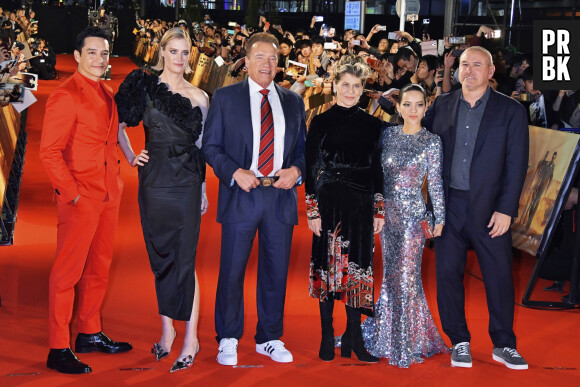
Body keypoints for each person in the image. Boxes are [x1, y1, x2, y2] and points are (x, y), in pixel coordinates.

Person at [202, 32, 306, 366]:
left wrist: (296, 172)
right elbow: (211, 148)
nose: (267, 64)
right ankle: (228, 336)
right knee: (232, 270)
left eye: (273, 58)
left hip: (279, 196)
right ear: (246, 61)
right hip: (241, 195)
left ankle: (270, 337)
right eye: (260, 57)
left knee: (276, 271)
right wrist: (234, 172)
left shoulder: (292, 100)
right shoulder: (225, 97)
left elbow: (304, 151)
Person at [423, 46, 529, 370]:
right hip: (448, 205)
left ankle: (503, 344)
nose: (468, 70)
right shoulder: (441, 104)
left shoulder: (511, 111)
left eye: (477, 65)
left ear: (491, 71)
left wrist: (506, 209)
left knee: (499, 276)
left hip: (491, 210)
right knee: (447, 274)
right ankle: (459, 340)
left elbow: (517, 164)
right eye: (464, 65)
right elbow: (419, 141)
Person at [115, 27, 209, 373]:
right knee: (162, 258)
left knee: (185, 259)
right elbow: (118, 122)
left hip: (185, 183)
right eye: (174, 51)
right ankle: (167, 332)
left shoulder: (200, 97)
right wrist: (129, 155)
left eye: (186, 53)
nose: (180, 59)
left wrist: (201, 189)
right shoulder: (144, 85)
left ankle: (191, 340)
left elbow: (201, 148)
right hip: (153, 181)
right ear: (162, 52)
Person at [39, 26, 132, 375]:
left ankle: (89, 332)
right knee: (67, 273)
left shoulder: (105, 90)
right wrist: (73, 194)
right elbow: (49, 152)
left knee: (99, 267)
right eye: (92, 52)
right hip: (81, 196)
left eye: (104, 53)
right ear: (77, 56)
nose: (99, 59)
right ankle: (58, 346)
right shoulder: (67, 95)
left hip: (109, 193)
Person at [361, 83, 449, 367]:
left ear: (426, 106)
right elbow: (375, 175)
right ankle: (388, 334)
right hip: (388, 219)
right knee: (390, 277)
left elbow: (435, 183)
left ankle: (404, 343)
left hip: (414, 220)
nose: (413, 110)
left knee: (407, 277)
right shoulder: (387, 135)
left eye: (419, 104)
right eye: (407, 104)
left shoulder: (431, 141)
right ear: (398, 108)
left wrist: (440, 218)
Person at [305, 54, 384, 363]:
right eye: (346, 85)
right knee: (327, 268)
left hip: (362, 203)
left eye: (357, 86)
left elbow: (378, 169)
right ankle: (327, 334)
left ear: (363, 88)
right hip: (329, 202)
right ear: (334, 86)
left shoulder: (374, 125)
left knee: (357, 271)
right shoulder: (320, 120)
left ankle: (354, 337)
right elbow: (311, 167)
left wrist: (379, 209)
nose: (351, 91)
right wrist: (312, 210)